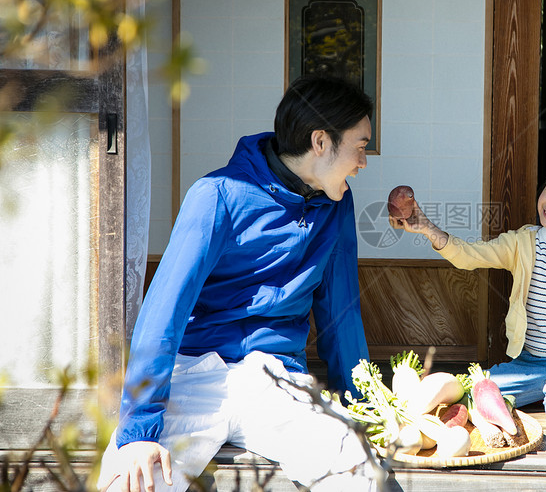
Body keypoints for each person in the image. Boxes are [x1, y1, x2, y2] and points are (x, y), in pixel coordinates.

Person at [97, 75, 381, 492]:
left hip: (277, 378)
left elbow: (341, 313)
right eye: (360, 146)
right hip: (195, 372)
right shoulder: (217, 194)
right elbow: (164, 311)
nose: (364, 161)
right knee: (134, 481)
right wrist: (138, 429)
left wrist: (366, 406)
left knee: (361, 474)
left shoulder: (336, 206)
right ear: (320, 142)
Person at [391, 153, 546, 423]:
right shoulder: (523, 242)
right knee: (475, 389)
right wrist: (427, 228)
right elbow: (470, 256)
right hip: (528, 362)